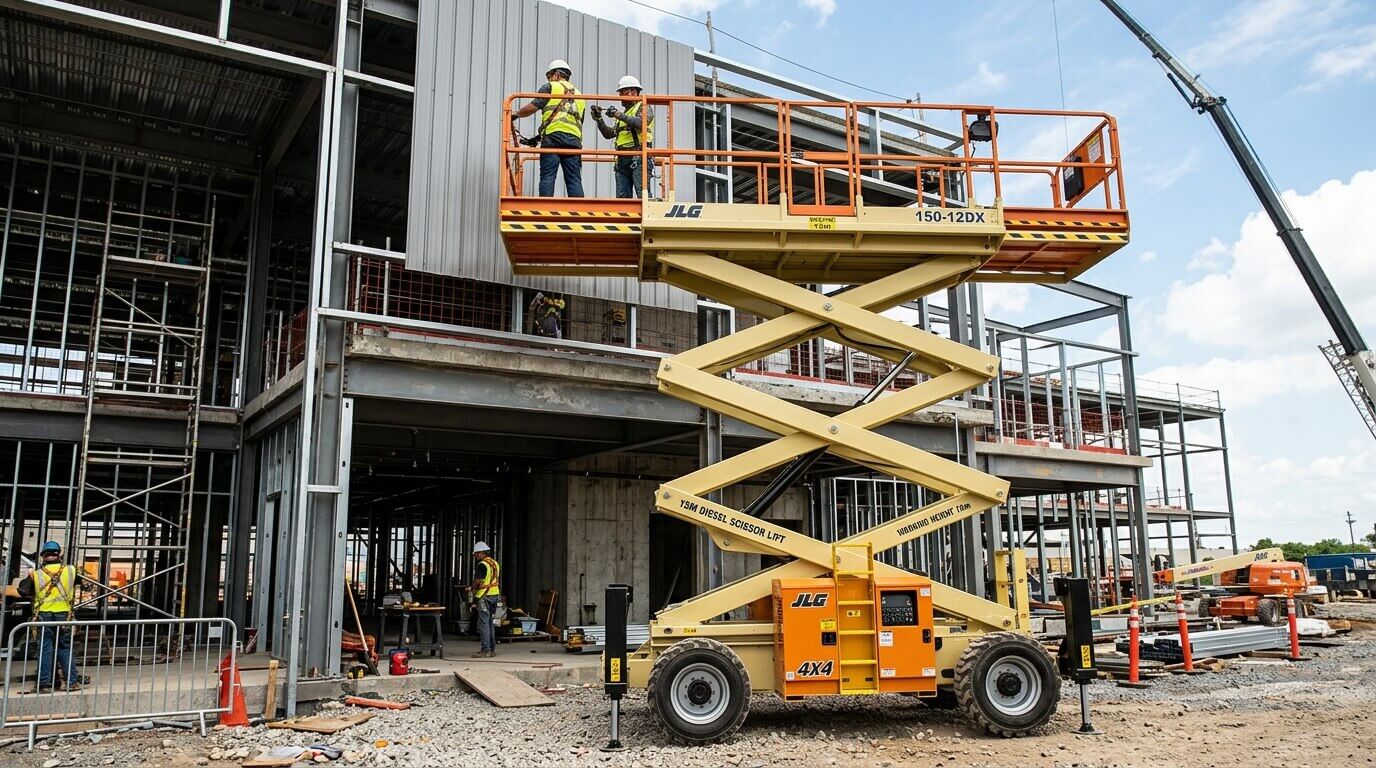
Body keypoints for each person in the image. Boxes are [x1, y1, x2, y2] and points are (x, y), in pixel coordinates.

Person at [510, 59, 585, 197]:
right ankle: (579, 211)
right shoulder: (581, 96)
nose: (549, 79)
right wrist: (537, 138)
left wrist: (516, 114)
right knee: (574, 179)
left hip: (553, 140)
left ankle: (545, 207)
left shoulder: (551, 87)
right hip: (574, 142)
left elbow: (533, 107)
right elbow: (576, 121)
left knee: (548, 176)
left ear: (556, 74)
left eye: (549, 76)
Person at [17, 541, 82, 692]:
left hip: (44, 616)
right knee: (64, 648)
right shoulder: (71, 570)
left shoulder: (36, 574)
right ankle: (71, 682)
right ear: (59, 555)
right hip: (65, 616)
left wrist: (30, 577)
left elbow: (22, 591)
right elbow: (80, 583)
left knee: (45, 649)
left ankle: (45, 684)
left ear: (43, 556)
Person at [592, 75, 654, 199]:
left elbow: (640, 123)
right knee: (622, 198)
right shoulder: (625, 114)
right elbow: (609, 134)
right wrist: (599, 119)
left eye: (623, 93)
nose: (621, 97)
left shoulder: (644, 106)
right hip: (622, 159)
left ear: (634, 92)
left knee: (643, 196)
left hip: (639, 157)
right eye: (621, 93)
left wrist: (617, 114)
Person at [470, 542, 501, 658]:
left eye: (477, 554)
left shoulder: (482, 565)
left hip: (484, 597)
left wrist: (472, 588)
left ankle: (485, 650)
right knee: (490, 623)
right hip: (495, 595)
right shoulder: (495, 563)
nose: (476, 556)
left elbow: (478, 582)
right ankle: (492, 649)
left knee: (483, 623)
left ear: (483, 553)